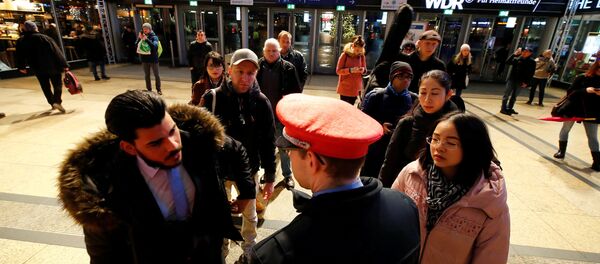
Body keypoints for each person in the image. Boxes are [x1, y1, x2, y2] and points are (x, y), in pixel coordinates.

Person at [58, 90, 243, 263]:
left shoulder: (198, 140)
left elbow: (236, 149)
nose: (173, 146)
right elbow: (103, 256)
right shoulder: (104, 192)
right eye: (156, 143)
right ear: (129, 148)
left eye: (172, 131)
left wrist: (247, 191)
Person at [250, 93, 421, 263]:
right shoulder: (405, 206)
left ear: (312, 160)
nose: (288, 154)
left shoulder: (275, 254)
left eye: (290, 150)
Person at [392, 112, 510, 263]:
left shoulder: (490, 202)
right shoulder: (412, 174)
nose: (438, 147)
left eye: (451, 143)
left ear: (472, 147)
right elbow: (390, 220)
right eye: (435, 139)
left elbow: (492, 257)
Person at [201, 48, 277, 263]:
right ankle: (221, 250)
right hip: (219, 173)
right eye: (240, 71)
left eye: (251, 73)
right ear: (229, 71)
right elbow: (201, 139)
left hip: (249, 170)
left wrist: (270, 176)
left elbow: (268, 141)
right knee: (220, 216)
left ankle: (249, 250)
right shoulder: (212, 98)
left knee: (250, 215)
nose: (245, 78)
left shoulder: (261, 102)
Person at [379, 70, 459, 187]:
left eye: (435, 93)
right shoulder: (407, 124)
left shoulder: (460, 126)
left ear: (448, 94)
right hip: (407, 188)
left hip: (447, 192)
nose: (427, 100)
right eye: (423, 93)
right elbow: (389, 163)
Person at [257, 38, 302, 190]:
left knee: (283, 147)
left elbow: (297, 93)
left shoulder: (288, 68)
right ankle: (268, 173)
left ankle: (287, 175)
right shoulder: (258, 66)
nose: (271, 53)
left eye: (274, 50)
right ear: (263, 51)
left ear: (279, 51)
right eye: (268, 50)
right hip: (262, 115)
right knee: (265, 146)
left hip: (281, 115)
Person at [361, 61, 414, 177]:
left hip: (397, 149)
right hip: (375, 148)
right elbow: (362, 119)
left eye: (409, 77)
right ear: (392, 77)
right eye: (400, 76)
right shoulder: (376, 95)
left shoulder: (414, 99)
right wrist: (380, 126)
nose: (405, 80)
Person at [366, 29, 446, 95]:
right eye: (427, 43)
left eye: (434, 44)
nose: (430, 47)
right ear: (419, 43)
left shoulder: (439, 66)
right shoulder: (403, 60)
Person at [552, 61, 600, 171]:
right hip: (574, 109)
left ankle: (597, 161)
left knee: (592, 136)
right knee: (565, 129)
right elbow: (570, 93)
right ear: (595, 68)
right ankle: (561, 151)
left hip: (592, 113)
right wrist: (585, 90)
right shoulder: (582, 78)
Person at [15, 21, 69, 113]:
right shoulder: (44, 38)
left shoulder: (21, 41)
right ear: (35, 28)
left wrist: (21, 67)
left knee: (45, 86)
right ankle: (57, 101)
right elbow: (56, 52)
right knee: (57, 84)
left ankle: (52, 103)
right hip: (52, 65)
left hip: (37, 67)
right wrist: (64, 64)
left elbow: (20, 55)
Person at [500, 47, 535, 116]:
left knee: (514, 96)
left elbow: (531, 73)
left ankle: (510, 108)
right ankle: (503, 108)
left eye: (526, 51)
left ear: (530, 53)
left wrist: (527, 83)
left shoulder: (532, 62)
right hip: (512, 79)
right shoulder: (518, 59)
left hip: (521, 81)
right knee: (506, 94)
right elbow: (507, 62)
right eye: (523, 51)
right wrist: (514, 54)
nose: (524, 52)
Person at [336, 35, 366, 105]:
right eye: (357, 50)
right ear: (353, 46)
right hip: (345, 87)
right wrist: (350, 70)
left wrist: (362, 70)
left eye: (361, 50)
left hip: (355, 88)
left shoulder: (362, 56)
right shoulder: (345, 55)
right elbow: (338, 71)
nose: (359, 52)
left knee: (351, 107)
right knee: (344, 107)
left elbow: (365, 70)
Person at [136, 23, 161, 95]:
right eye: (143, 29)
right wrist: (139, 39)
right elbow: (135, 45)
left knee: (156, 75)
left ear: (150, 29)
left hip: (153, 60)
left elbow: (154, 47)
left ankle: (158, 89)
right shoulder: (141, 36)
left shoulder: (154, 37)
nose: (145, 30)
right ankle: (149, 89)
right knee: (147, 75)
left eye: (146, 29)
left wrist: (146, 40)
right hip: (144, 60)